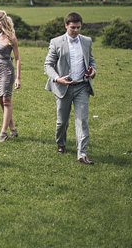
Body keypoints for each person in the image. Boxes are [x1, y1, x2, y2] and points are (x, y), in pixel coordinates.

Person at [44, 12, 97, 165]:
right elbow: (48, 65)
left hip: (82, 87)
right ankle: (61, 143)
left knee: (82, 120)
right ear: (66, 25)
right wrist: (57, 78)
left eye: (78, 27)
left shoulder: (86, 41)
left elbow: (91, 60)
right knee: (62, 122)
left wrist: (93, 70)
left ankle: (82, 153)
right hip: (63, 87)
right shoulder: (56, 42)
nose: (76, 30)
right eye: (73, 27)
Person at [0, 10, 21, 143]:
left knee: (6, 101)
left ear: (0, 23)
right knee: (0, 100)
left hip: (8, 70)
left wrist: (18, 78)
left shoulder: (11, 38)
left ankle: (3, 133)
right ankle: (13, 129)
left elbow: (18, 58)